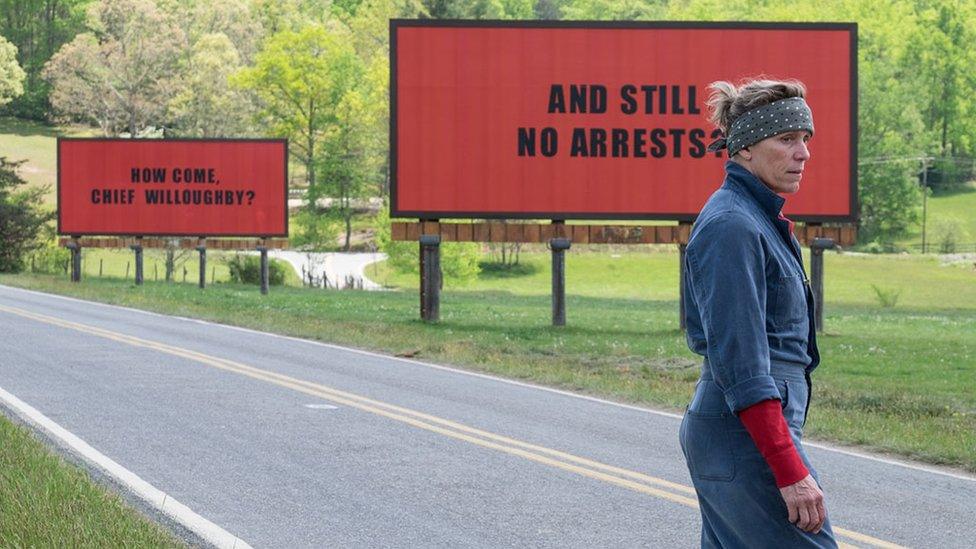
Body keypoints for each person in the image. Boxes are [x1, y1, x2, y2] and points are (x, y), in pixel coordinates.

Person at [678, 78, 837, 548]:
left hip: (743, 433)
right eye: (786, 139)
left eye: (804, 139)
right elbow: (743, 365)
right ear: (744, 148)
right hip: (743, 436)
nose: (802, 153)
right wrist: (789, 469)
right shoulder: (732, 226)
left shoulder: (755, 218)